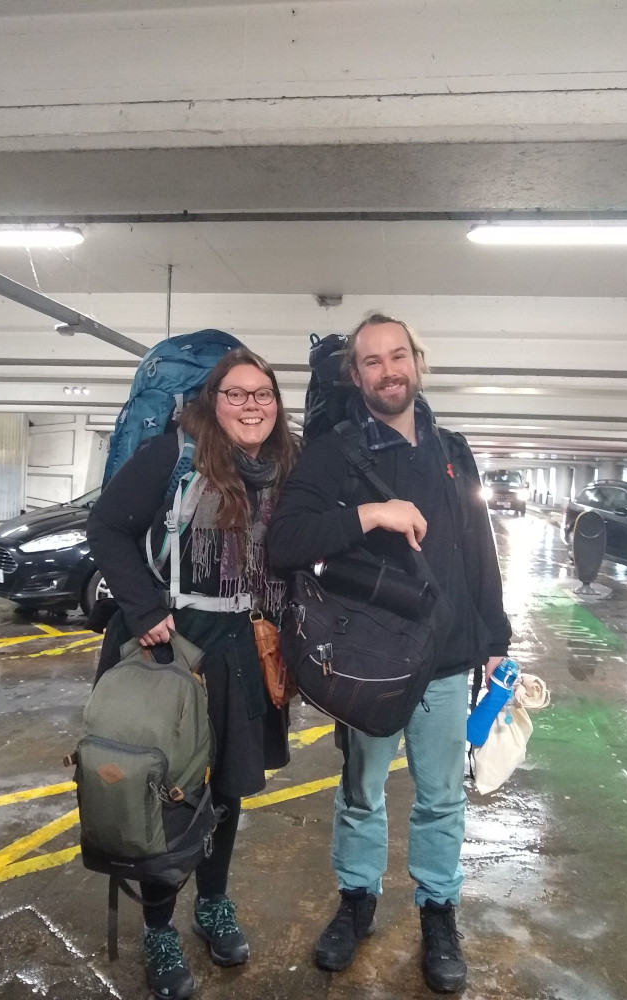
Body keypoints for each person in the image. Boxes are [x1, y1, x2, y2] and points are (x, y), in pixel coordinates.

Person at [267, 313, 511, 993]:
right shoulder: (334, 453)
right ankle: (357, 901)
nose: (387, 370)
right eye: (371, 361)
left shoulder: (453, 449)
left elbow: (476, 551)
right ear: (355, 375)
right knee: (360, 793)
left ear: (418, 362)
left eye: (396, 356)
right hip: (370, 664)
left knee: (440, 798)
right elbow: (286, 541)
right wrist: (370, 515)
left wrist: (495, 641)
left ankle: (438, 911)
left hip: (449, 659)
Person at [87, 347, 299, 1000]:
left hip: (239, 646)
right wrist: (144, 606)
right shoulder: (174, 455)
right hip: (166, 646)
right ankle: (158, 927)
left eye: (262, 394)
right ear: (213, 402)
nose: (251, 405)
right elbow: (107, 527)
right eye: (236, 394)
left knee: (227, 792)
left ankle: (211, 903)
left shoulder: (287, 465)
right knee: (160, 792)